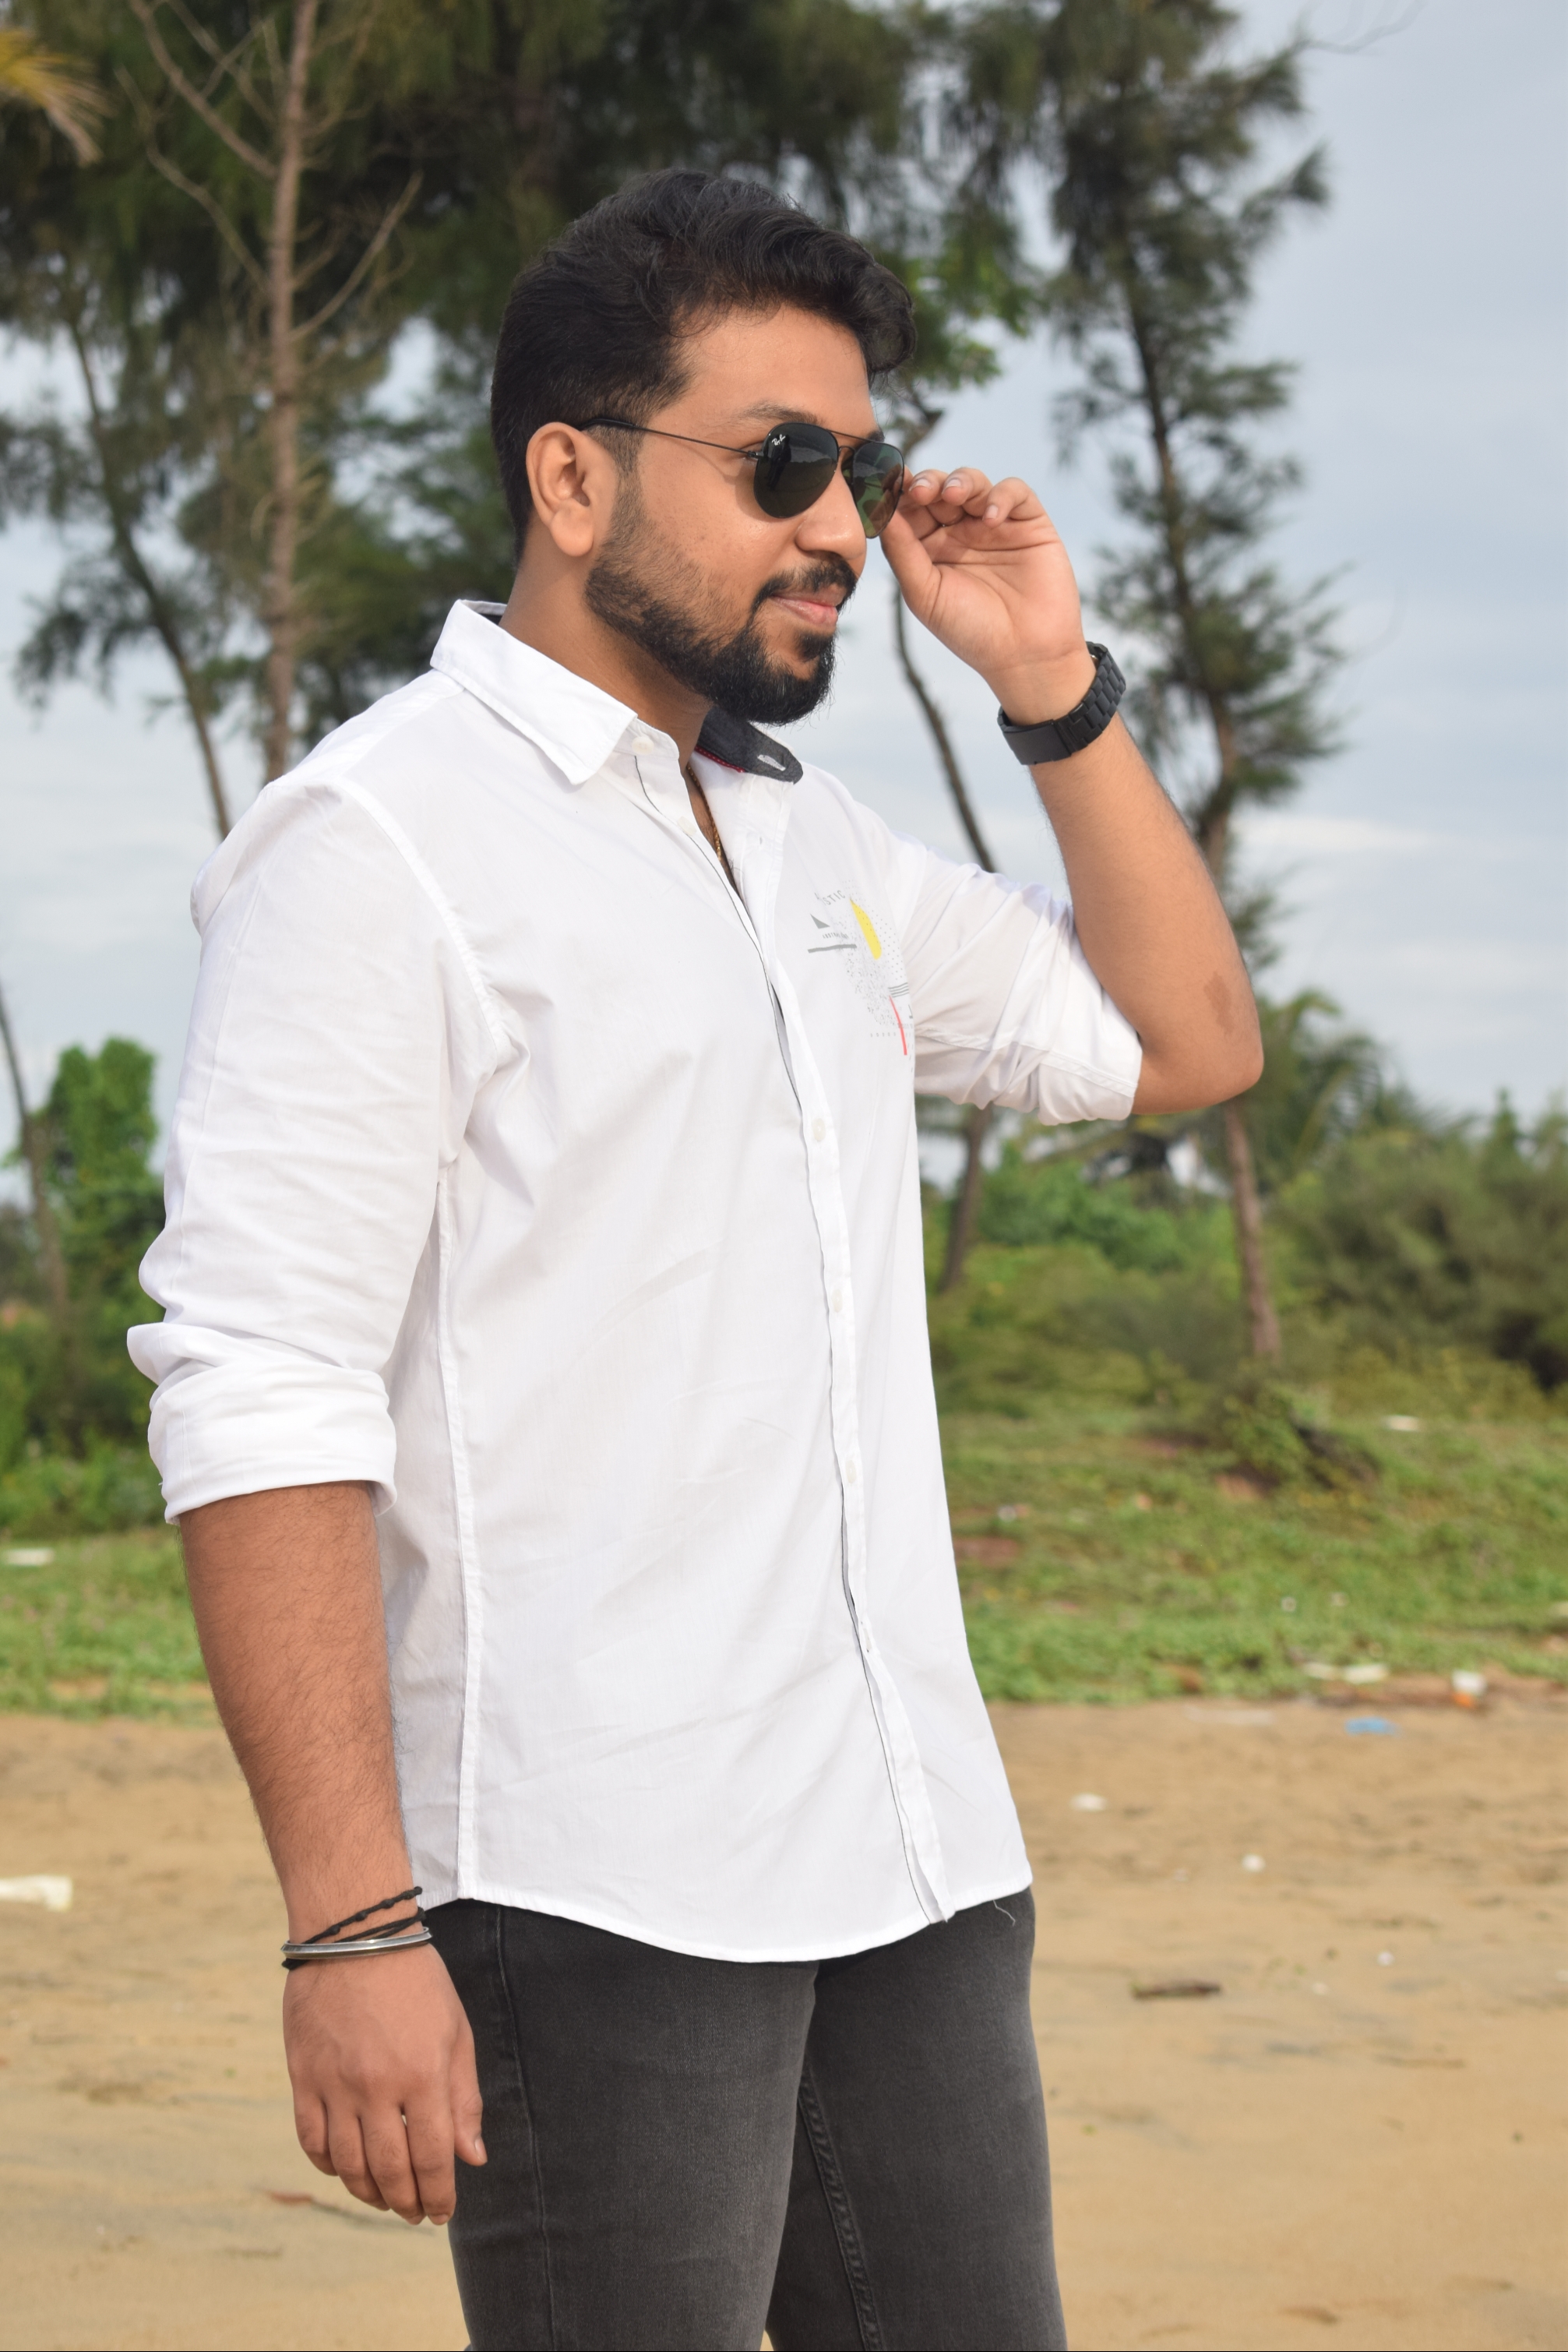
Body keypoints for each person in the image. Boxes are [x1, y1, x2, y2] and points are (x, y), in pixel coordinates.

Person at [129, 169, 1261, 2352]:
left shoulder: (813, 842)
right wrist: (351, 1923)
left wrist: (1050, 684)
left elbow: (1186, 1046)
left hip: (911, 1846)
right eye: (781, 463)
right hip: (599, 1879)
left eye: (859, 468)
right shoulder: (378, 845)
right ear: (571, 479)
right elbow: (263, 1379)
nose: (838, 526)